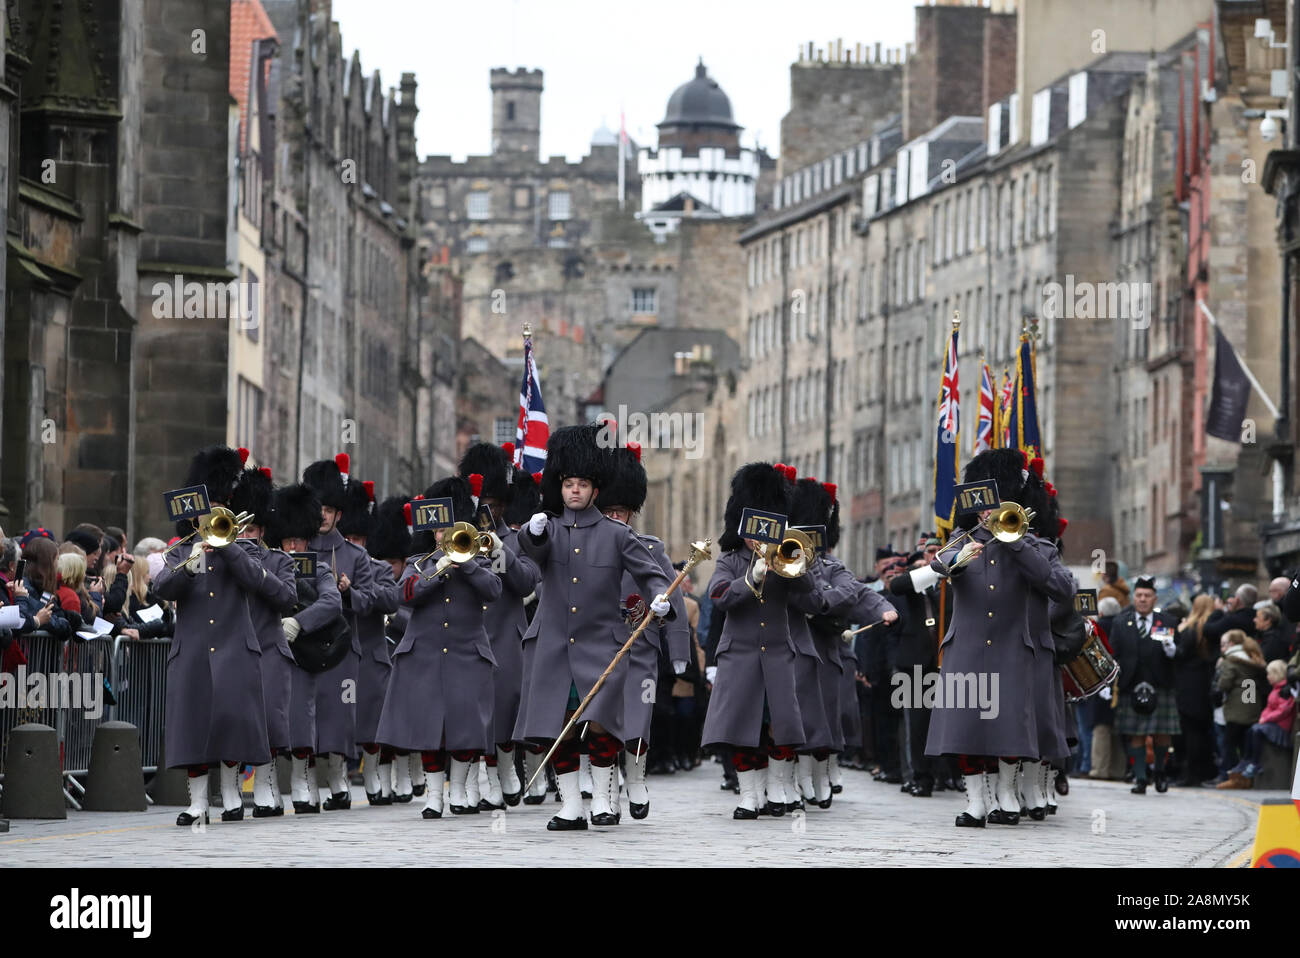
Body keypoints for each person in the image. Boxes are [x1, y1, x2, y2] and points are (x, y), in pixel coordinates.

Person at [514, 424, 673, 830]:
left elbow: (650, 572)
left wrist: (660, 597)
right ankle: (569, 805)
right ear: (560, 487)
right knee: (558, 728)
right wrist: (530, 533)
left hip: (601, 645)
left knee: (601, 723)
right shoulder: (544, 529)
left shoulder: (617, 535)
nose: (574, 491)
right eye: (568, 484)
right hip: (553, 646)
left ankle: (603, 799)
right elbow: (529, 557)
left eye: (582, 484)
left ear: (595, 490)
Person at [925, 448, 1074, 828]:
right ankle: (976, 802)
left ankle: (1007, 797)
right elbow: (937, 566)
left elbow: (1060, 587)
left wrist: (1014, 542)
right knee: (966, 728)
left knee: (1010, 728)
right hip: (968, 646)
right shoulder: (961, 541)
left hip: (1012, 648)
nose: (986, 515)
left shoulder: (1034, 546)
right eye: (982, 510)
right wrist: (960, 558)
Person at [152, 446, 279, 826]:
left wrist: (226, 549)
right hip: (191, 651)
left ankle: (230, 796)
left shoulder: (243, 550)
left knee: (231, 723)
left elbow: (262, 583)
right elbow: (163, 586)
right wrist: (195, 557)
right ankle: (197, 803)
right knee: (194, 727)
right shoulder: (180, 552)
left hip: (234, 648)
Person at [701, 462, 822, 820]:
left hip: (779, 654)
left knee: (780, 727)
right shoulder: (730, 560)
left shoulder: (786, 556)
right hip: (740, 655)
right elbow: (720, 596)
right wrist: (750, 577)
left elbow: (811, 596)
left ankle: (778, 790)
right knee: (743, 729)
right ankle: (749, 795)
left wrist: (793, 564)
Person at [376, 476, 502, 819]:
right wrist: (439, 568)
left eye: (447, 530)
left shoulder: (479, 559)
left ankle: (459, 791)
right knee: (429, 727)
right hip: (425, 654)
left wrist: (467, 563)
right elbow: (404, 595)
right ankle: (434, 795)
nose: (441, 537)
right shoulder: (419, 561)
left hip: (466, 653)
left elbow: (493, 590)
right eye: (436, 532)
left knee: (464, 726)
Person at [596, 439, 689, 820]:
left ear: (632, 512)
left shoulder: (651, 549)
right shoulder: (587, 546)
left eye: (622, 512)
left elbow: (675, 601)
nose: (616, 518)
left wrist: (679, 651)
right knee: (602, 724)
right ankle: (604, 796)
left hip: (640, 647)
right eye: (610, 511)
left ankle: (635, 780)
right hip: (599, 647)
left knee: (637, 720)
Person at [459, 442, 542, 810]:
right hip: (468, 633)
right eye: (481, 503)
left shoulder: (516, 539)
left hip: (506, 635)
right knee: (471, 710)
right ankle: (481, 779)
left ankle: (506, 765)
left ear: (504, 505)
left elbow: (527, 581)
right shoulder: (459, 537)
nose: (485, 511)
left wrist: (498, 549)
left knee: (505, 709)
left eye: (492, 504)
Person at [301, 453, 374, 810]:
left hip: (343, 648)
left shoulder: (356, 556)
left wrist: (350, 592)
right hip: (307, 646)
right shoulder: (299, 549)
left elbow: (372, 601)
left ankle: (339, 781)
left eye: (330, 510)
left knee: (338, 716)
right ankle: (309, 786)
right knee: (308, 715)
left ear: (339, 514)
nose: (324, 516)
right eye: (319, 509)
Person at [228, 465, 298, 817]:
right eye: (239, 529)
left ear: (262, 530)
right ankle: (233, 793)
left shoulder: (280, 560)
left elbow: (287, 598)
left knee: (269, 722)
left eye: (250, 530)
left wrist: (255, 567)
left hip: (269, 647)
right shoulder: (221, 559)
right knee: (235, 721)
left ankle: (269, 791)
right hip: (234, 649)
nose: (244, 535)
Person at [269, 482, 343, 814]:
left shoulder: (319, 568)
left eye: (298, 540)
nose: (293, 546)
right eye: (288, 540)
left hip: (300, 652)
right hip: (271, 649)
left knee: (300, 718)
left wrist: (300, 622)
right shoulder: (269, 564)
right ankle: (266, 787)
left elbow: (332, 602)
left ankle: (301, 783)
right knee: (268, 719)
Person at [338, 475, 402, 806]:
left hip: (372, 653)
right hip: (337, 654)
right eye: (349, 537)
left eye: (360, 538)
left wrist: (358, 592)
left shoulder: (376, 567)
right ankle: (339, 777)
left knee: (373, 724)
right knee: (339, 720)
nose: (354, 544)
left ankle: (374, 773)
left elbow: (391, 599)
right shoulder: (329, 564)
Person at [362, 495, 412, 805]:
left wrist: (394, 615)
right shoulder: (374, 576)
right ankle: (378, 774)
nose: (389, 567)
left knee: (405, 718)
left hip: (405, 656)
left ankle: (405, 772)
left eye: (394, 562)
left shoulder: (410, 577)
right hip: (378, 656)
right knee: (375, 719)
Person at [1110, 576, 1181, 794]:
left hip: (1161, 684)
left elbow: (1180, 652)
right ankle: (1140, 778)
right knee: (1136, 735)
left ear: (1154, 598)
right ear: (1133, 597)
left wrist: (1172, 650)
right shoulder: (1121, 622)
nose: (1142, 599)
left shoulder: (1167, 621)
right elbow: (1113, 654)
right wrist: (1108, 684)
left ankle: (1160, 773)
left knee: (1162, 734)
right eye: (1139, 595)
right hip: (1131, 684)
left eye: (1147, 596)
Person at [1219, 659, 1294, 787]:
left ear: (1277, 674)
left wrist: (1266, 718)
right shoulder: (1275, 689)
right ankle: (1247, 760)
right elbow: (1269, 708)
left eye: (1269, 674)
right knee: (1252, 730)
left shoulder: (1284, 691)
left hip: (1279, 725)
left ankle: (1253, 762)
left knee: (1254, 731)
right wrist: (1263, 717)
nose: (1267, 677)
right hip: (1269, 721)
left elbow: (1283, 710)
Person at [1173, 594, 1218, 786]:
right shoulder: (1210, 629)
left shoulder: (1191, 628)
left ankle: (1190, 773)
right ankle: (1202, 771)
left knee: (1189, 731)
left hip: (1188, 684)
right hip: (1204, 683)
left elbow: (1180, 653)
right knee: (1201, 730)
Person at [1214, 630, 1268, 779]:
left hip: (1236, 708)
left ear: (1232, 644)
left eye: (1224, 644)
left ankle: (1227, 775)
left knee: (1228, 742)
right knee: (1245, 743)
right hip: (1250, 705)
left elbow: (1224, 683)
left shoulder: (1231, 660)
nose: (1222, 648)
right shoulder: (1251, 658)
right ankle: (1244, 777)